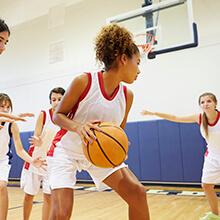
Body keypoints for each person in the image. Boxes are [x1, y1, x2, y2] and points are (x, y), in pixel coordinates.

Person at [47, 23, 150, 220]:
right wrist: (78, 127)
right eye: (138, 63)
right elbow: (57, 116)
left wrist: (120, 147)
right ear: (123, 59)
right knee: (61, 213)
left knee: (138, 193)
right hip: (66, 151)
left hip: (97, 152)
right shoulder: (84, 82)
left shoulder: (127, 96)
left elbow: (118, 131)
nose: (139, 70)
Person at [141, 92, 220, 220]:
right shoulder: (199, 117)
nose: (205, 104)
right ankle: (215, 215)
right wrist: (155, 113)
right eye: (202, 102)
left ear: (215, 103)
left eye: (209, 101)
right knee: (206, 185)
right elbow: (175, 117)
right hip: (212, 157)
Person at [21, 87, 65, 220]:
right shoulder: (44, 114)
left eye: (59, 99)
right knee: (29, 194)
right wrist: (38, 142)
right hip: (36, 159)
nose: (56, 102)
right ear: (50, 101)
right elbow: (36, 136)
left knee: (48, 196)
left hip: (51, 162)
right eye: (53, 100)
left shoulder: (66, 118)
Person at [0, 93, 46, 220]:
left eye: (8, 107)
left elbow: (20, 150)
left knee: (2, 186)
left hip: (2, 160)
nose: (5, 109)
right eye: (2, 106)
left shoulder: (12, 125)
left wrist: (32, 161)